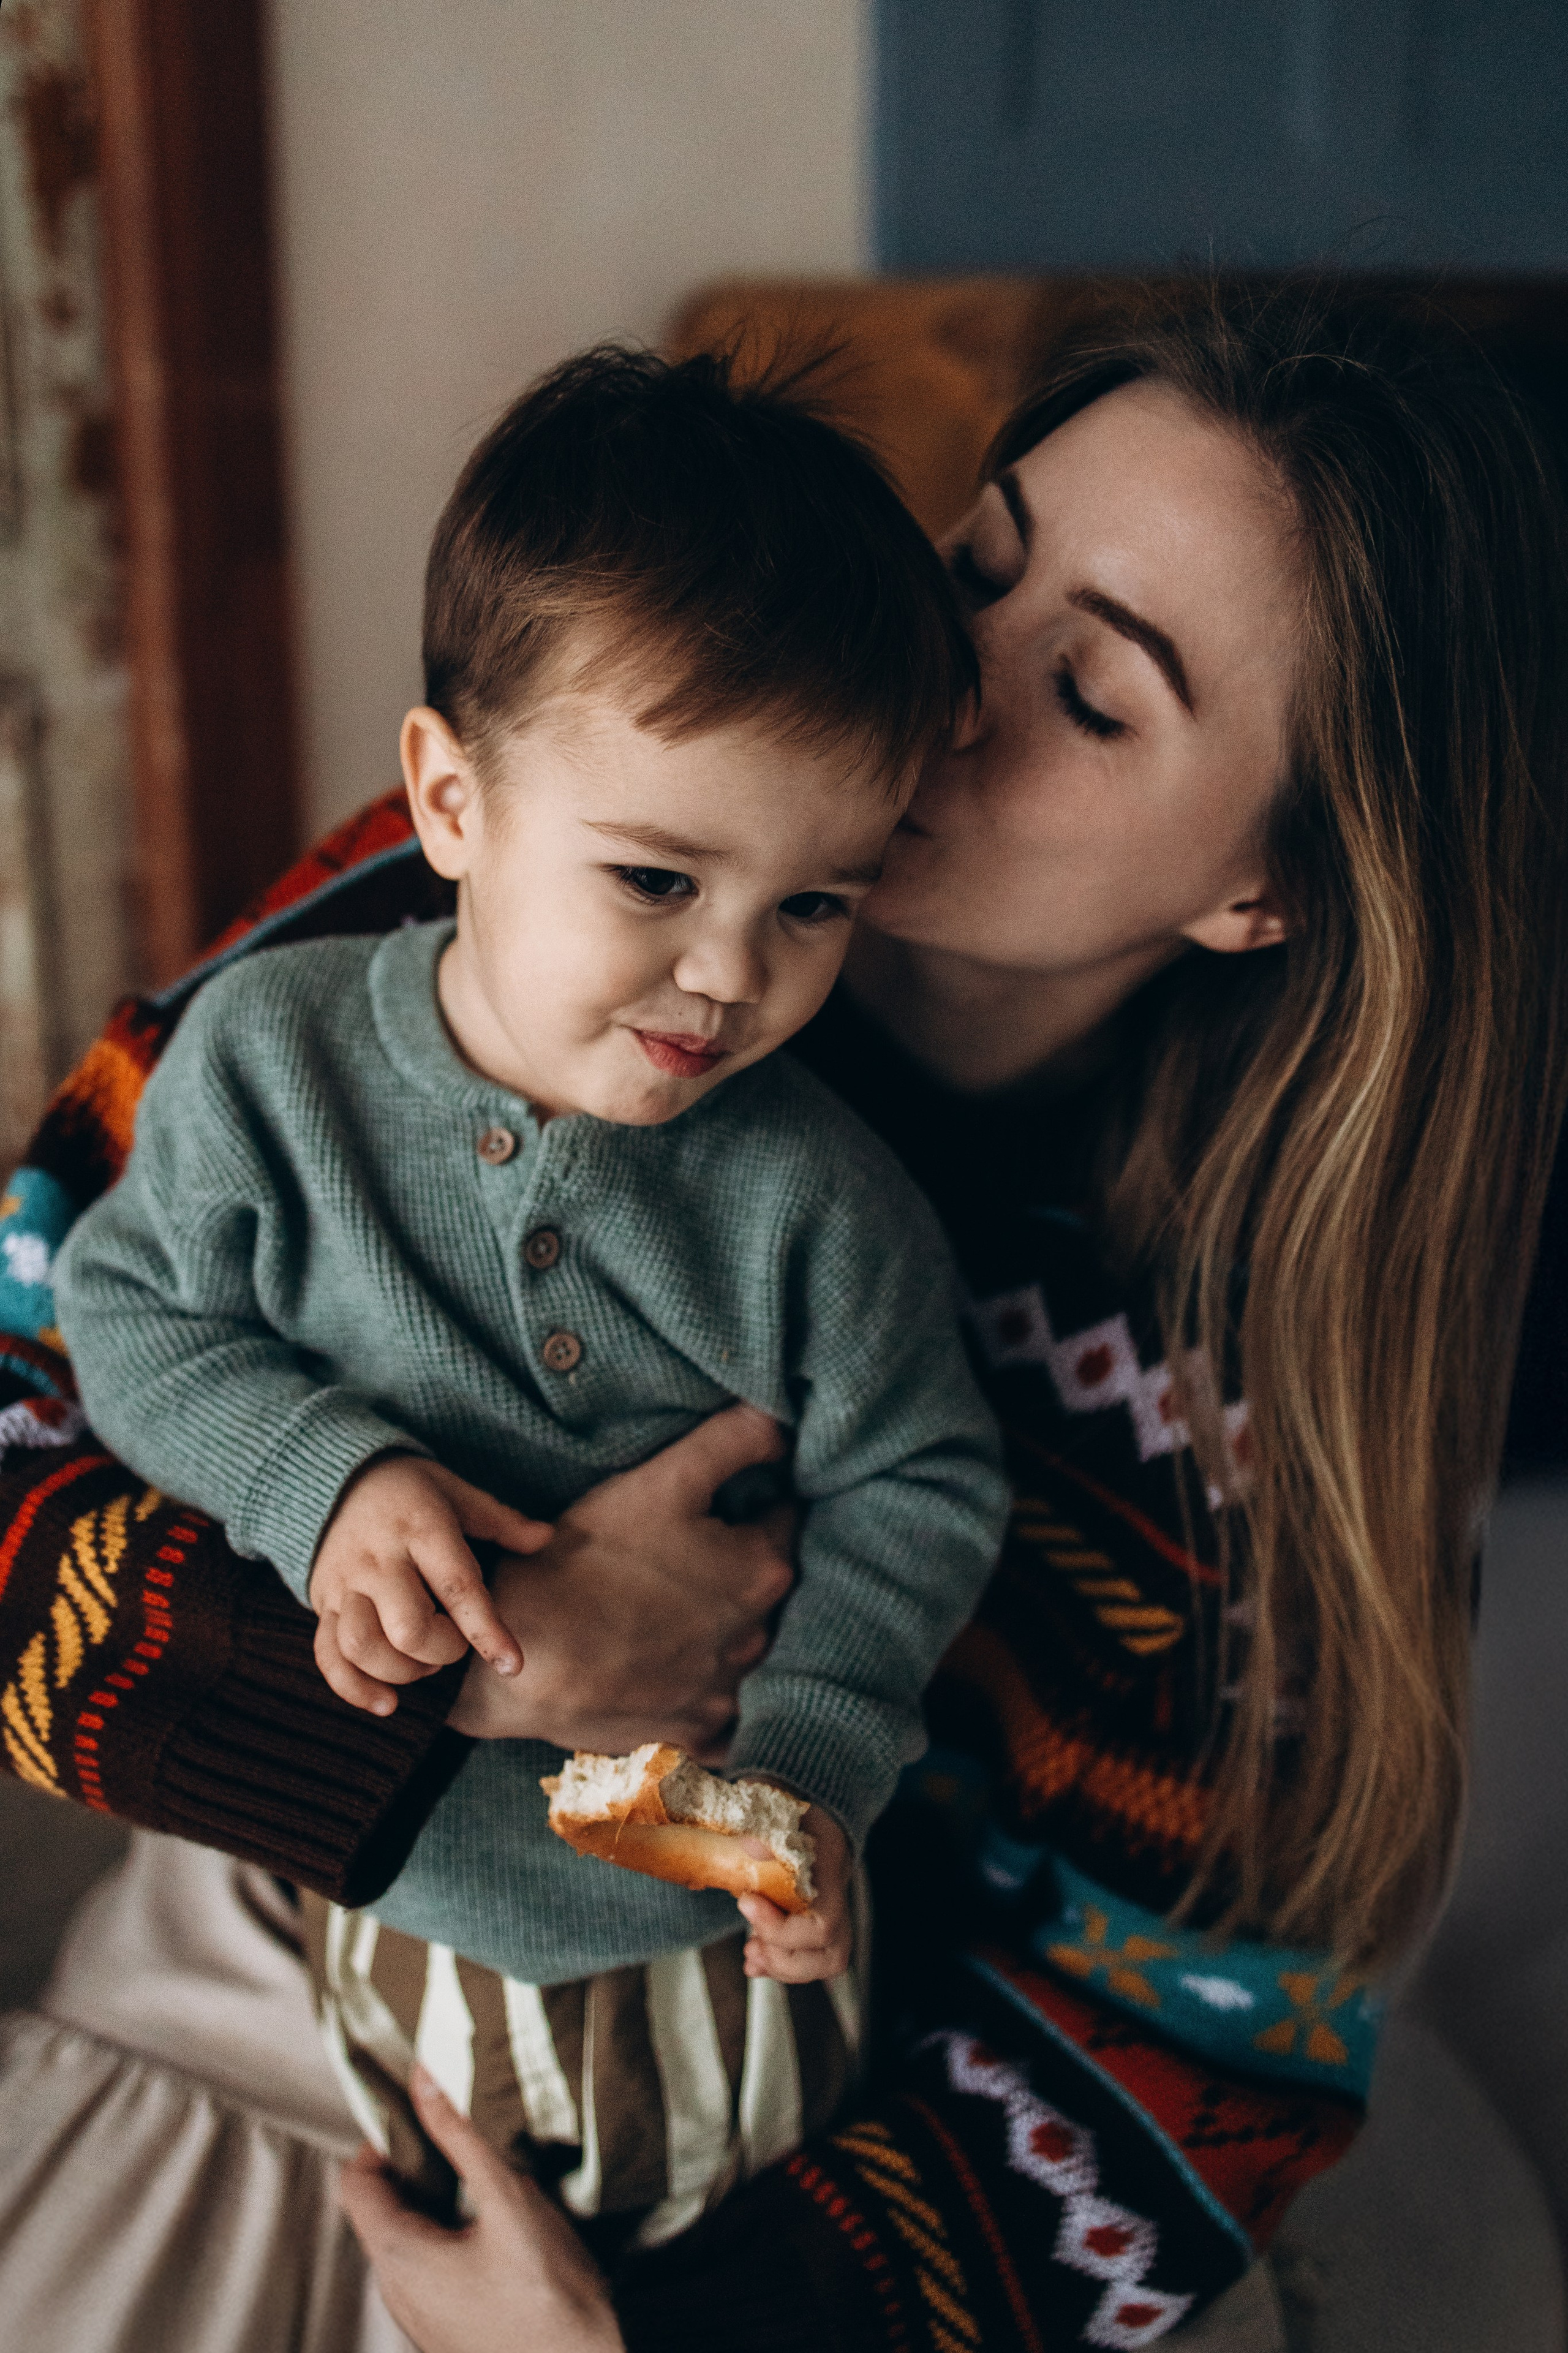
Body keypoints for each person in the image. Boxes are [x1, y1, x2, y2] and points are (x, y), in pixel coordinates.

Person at [1, 278, 1565, 2351]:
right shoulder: (476, 893)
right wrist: (462, 1657)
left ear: (1265, 885)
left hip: (781, 2099)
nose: (940, 687)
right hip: (291, 1926)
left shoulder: (1247, 1395)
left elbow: (1207, 2056)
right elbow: (50, 1361)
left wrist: (670, 2334)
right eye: (974, 566)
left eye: (1091, 696)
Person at [48, 346, 1008, 2238]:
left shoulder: (822, 1196)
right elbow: (128, 1309)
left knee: (713, 2192)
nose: (729, 974)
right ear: (450, 798)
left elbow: (928, 1479)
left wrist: (810, 1758)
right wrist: (318, 1475)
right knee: (415, 2189)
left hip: (705, 1929)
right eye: (656, 877)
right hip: (395, 1881)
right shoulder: (270, 1059)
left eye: (814, 903)